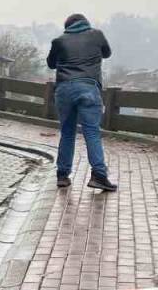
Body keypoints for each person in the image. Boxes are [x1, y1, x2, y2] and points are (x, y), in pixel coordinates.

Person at [47, 13, 118, 192]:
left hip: (64, 89)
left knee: (67, 132)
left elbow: (51, 64)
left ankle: (63, 175)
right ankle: (99, 175)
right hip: (88, 87)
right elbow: (107, 53)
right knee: (92, 132)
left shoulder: (59, 41)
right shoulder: (97, 35)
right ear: (85, 23)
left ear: (67, 26)